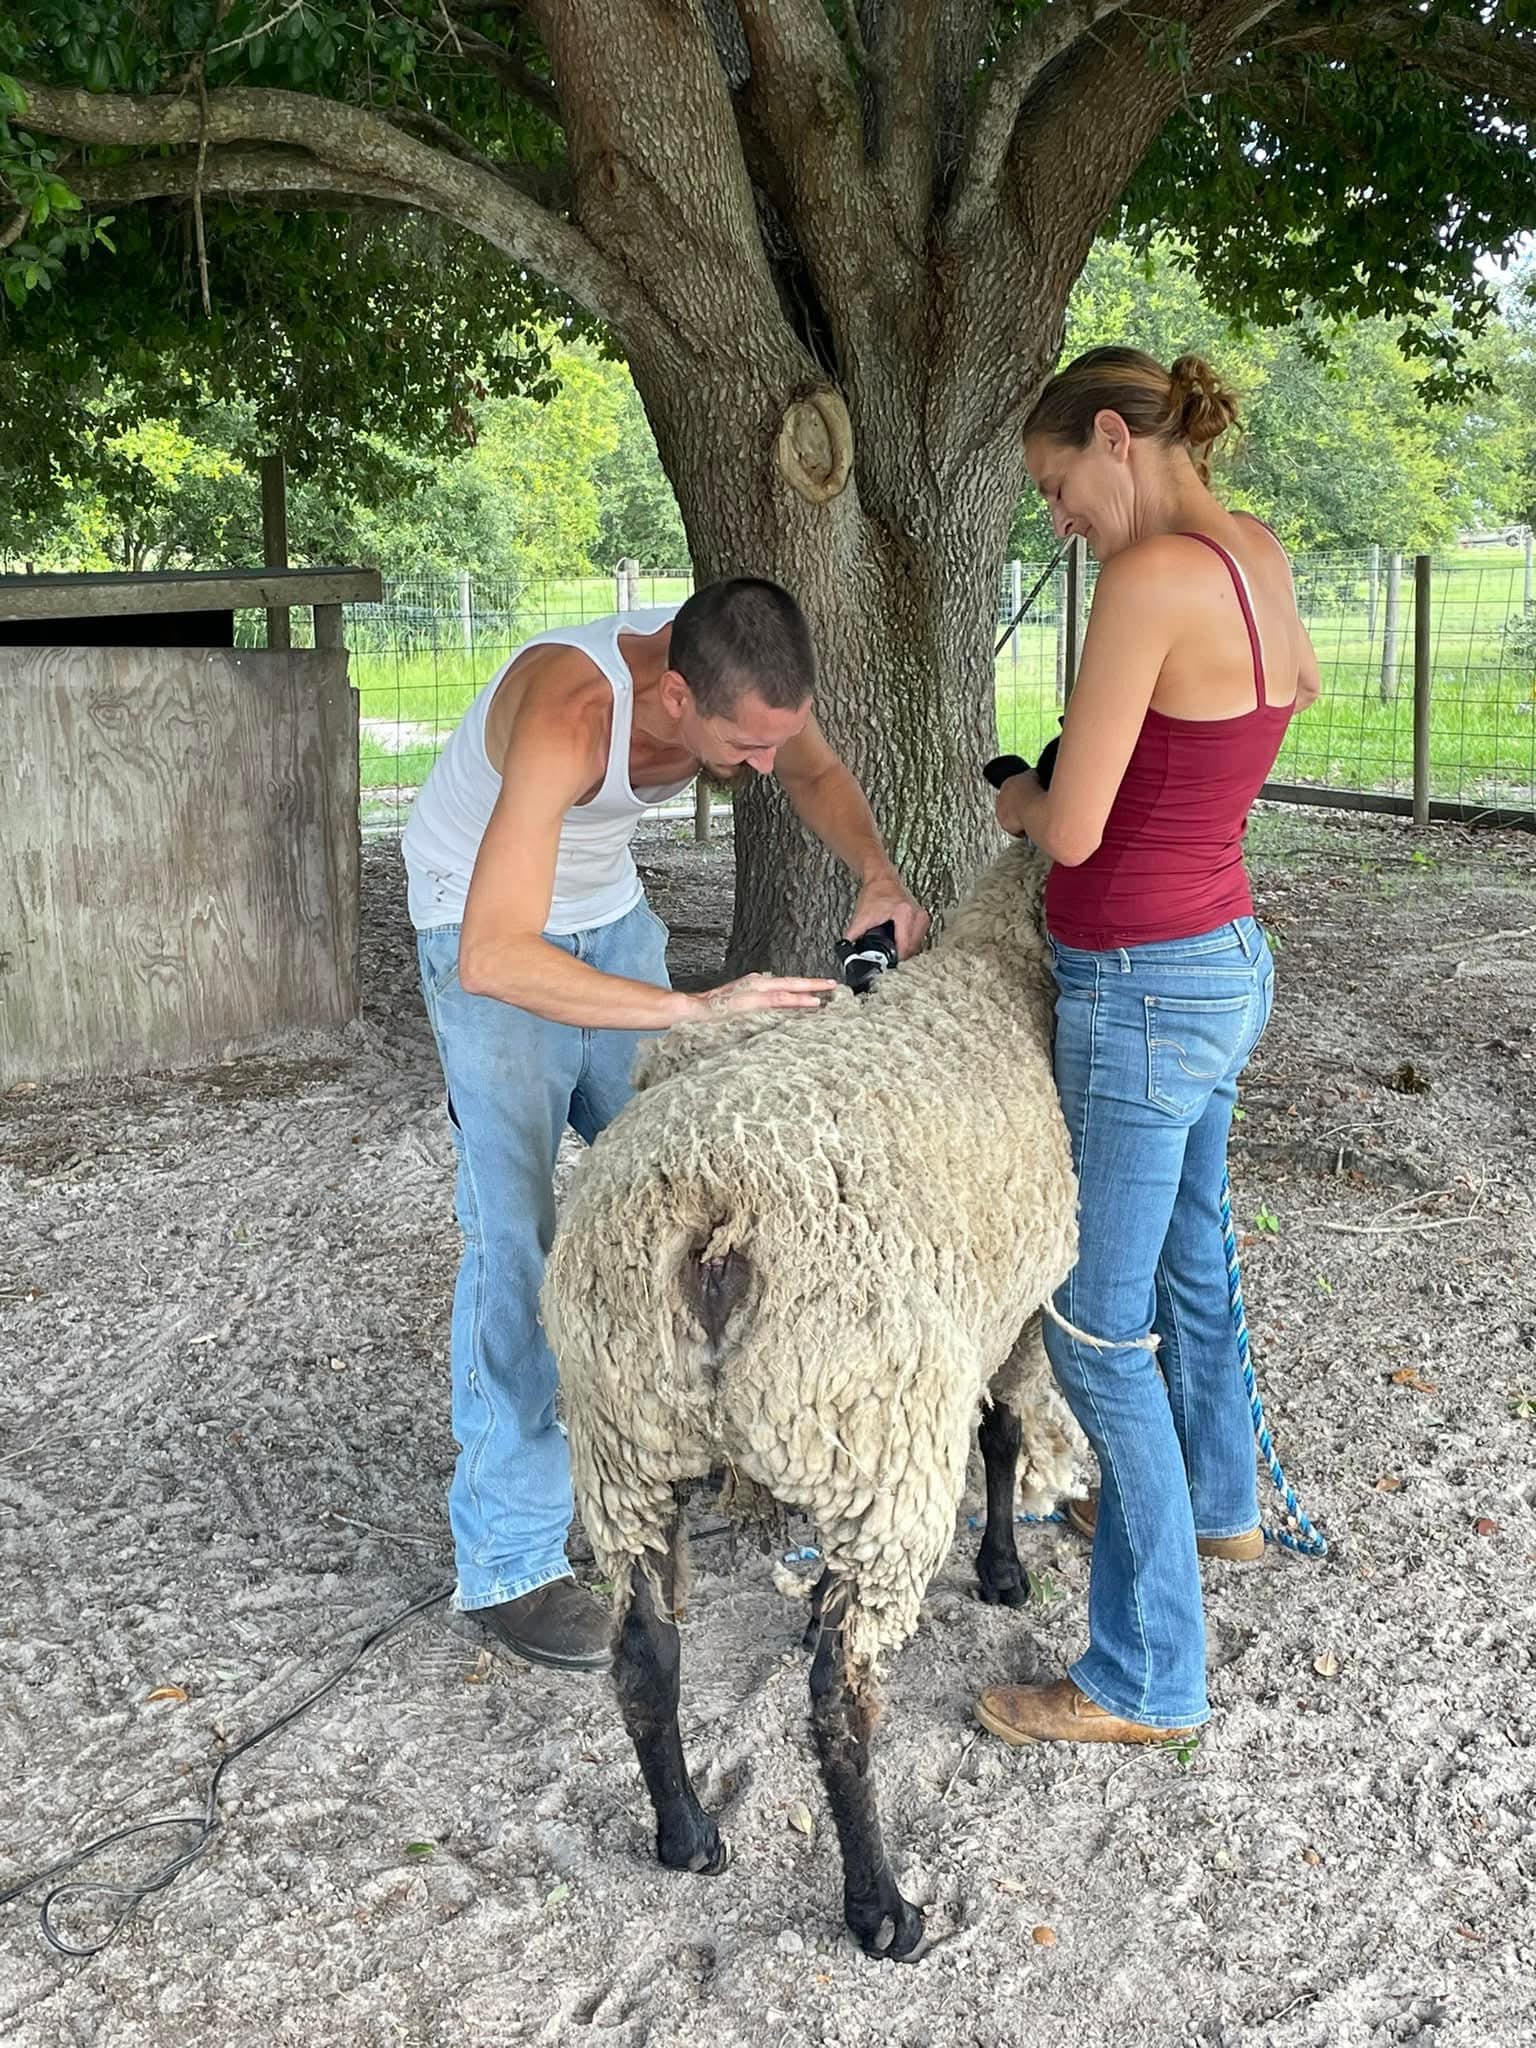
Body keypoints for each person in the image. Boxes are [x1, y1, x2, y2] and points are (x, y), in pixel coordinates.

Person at [403, 577, 928, 1671]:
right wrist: (691, 1006)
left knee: (700, 1197)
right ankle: (509, 1556)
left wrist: (875, 871)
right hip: (484, 923)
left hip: (604, 916)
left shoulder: (746, 681)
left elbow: (818, 768)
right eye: (744, 744)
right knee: (523, 1234)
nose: (765, 766)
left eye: (773, 740)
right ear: (677, 694)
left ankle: (718, 1438)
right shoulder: (569, 709)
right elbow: (494, 952)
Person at [973, 348, 1320, 1748]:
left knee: (1096, 1331)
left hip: (1141, 988)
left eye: (1058, 486)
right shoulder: (1255, 555)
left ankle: (1143, 1675)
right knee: (1191, 1254)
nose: (1058, 517)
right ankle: (1221, 1507)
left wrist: (1012, 794)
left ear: (1116, 439)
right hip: (1226, 953)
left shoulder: (1149, 581)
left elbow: (1073, 827)